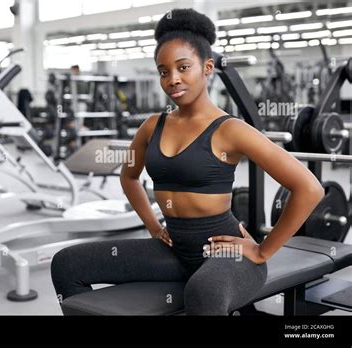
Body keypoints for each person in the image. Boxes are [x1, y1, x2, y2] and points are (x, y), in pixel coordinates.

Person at [51, 8, 325, 315]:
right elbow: (129, 177)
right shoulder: (151, 126)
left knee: (204, 292)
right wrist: (154, 227)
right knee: (67, 264)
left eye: (183, 67)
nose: (173, 79)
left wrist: (262, 250)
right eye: (164, 71)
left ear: (207, 67)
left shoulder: (231, 129)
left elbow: (309, 188)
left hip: (228, 252)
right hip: (175, 249)